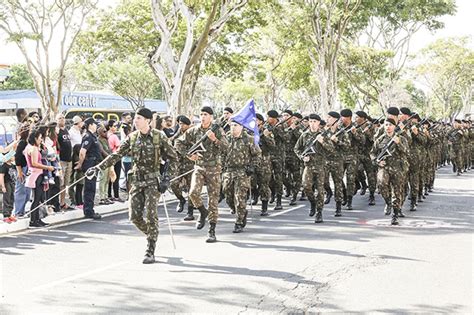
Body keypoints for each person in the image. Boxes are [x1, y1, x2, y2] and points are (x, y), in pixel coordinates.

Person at [88, 107, 178, 264]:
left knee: (151, 215)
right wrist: (98, 167)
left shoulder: (159, 137)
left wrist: (167, 179)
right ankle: (152, 234)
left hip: (152, 181)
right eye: (135, 118)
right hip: (136, 180)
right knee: (134, 217)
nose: (135, 121)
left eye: (139, 118)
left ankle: (150, 249)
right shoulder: (132, 137)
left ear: (148, 121)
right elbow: (117, 155)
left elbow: (173, 158)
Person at [175, 106, 229, 243]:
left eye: (206, 114)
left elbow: (226, 147)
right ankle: (202, 211)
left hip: (214, 168)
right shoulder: (194, 130)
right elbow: (178, 142)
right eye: (202, 114)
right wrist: (188, 155)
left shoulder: (218, 130)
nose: (203, 116)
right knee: (193, 193)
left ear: (211, 117)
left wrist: (215, 139)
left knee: (213, 200)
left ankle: (212, 230)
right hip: (199, 167)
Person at [294, 114, 335, 223]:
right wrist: (303, 157)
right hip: (308, 165)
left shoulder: (323, 135)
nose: (312, 123)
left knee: (320, 190)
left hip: (321, 166)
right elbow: (297, 149)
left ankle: (319, 212)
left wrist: (323, 142)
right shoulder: (304, 135)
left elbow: (332, 149)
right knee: (306, 186)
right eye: (310, 121)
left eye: (314, 121)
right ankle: (312, 202)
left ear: (318, 123)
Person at [222, 121, 260, 233]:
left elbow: (257, 155)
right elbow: (220, 153)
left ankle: (239, 222)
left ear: (242, 127)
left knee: (240, 198)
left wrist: (252, 167)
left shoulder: (249, 139)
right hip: (228, 172)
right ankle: (241, 212)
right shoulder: (227, 139)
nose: (233, 128)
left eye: (236, 125)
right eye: (231, 125)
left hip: (242, 172)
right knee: (228, 196)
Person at [370, 118, 409, 225]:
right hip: (385, 167)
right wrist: (377, 162)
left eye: (390, 125)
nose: (388, 127)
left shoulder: (401, 139)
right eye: (386, 125)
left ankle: (395, 215)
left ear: (394, 126)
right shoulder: (380, 140)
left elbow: (407, 152)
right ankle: (388, 202)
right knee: (381, 184)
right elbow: (372, 153)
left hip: (398, 168)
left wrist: (399, 143)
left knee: (397, 192)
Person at [24, 129, 54, 228]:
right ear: (35, 138)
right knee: (37, 198)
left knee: (37, 198)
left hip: (34, 174)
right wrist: (47, 167)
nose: (41, 140)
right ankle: (33, 220)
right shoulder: (34, 148)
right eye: (40, 138)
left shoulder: (29, 147)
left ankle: (37, 219)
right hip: (37, 175)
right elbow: (34, 163)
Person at [75, 118, 102, 220]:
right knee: (89, 188)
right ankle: (88, 211)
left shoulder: (92, 136)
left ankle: (90, 209)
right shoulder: (88, 136)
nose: (96, 126)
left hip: (94, 163)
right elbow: (82, 152)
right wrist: (80, 164)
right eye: (95, 124)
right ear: (90, 125)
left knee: (92, 188)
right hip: (90, 163)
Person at [56, 113, 74, 210]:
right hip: (61, 160)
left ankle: (63, 202)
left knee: (66, 183)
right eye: (60, 118)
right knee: (60, 183)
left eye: (63, 118)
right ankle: (57, 203)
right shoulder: (57, 131)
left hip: (69, 160)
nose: (62, 119)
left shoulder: (66, 130)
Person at [14, 122, 31, 218]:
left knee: (27, 191)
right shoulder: (22, 143)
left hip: (27, 168)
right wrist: (20, 171)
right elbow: (17, 158)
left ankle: (23, 210)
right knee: (21, 190)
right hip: (22, 168)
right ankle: (18, 212)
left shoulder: (27, 143)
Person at [106, 120, 124, 202]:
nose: (115, 127)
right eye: (114, 126)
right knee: (116, 177)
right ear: (110, 127)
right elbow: (119, 146)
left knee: (110, 177)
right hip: (116, 157)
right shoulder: (114, 136)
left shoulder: (106, 135)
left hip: (108, 157)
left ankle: (109, 194)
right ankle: (116, 195)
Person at [0, 155, 16, 223]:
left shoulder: (12, 165)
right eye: (12, 156)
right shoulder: (4, 166)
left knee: (11, 199)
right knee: (6, 198)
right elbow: (1, 176)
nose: (14, 157)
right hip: (7, 183)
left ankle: (9, 213)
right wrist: (3, 186)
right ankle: (5, 215)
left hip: (12, 183)